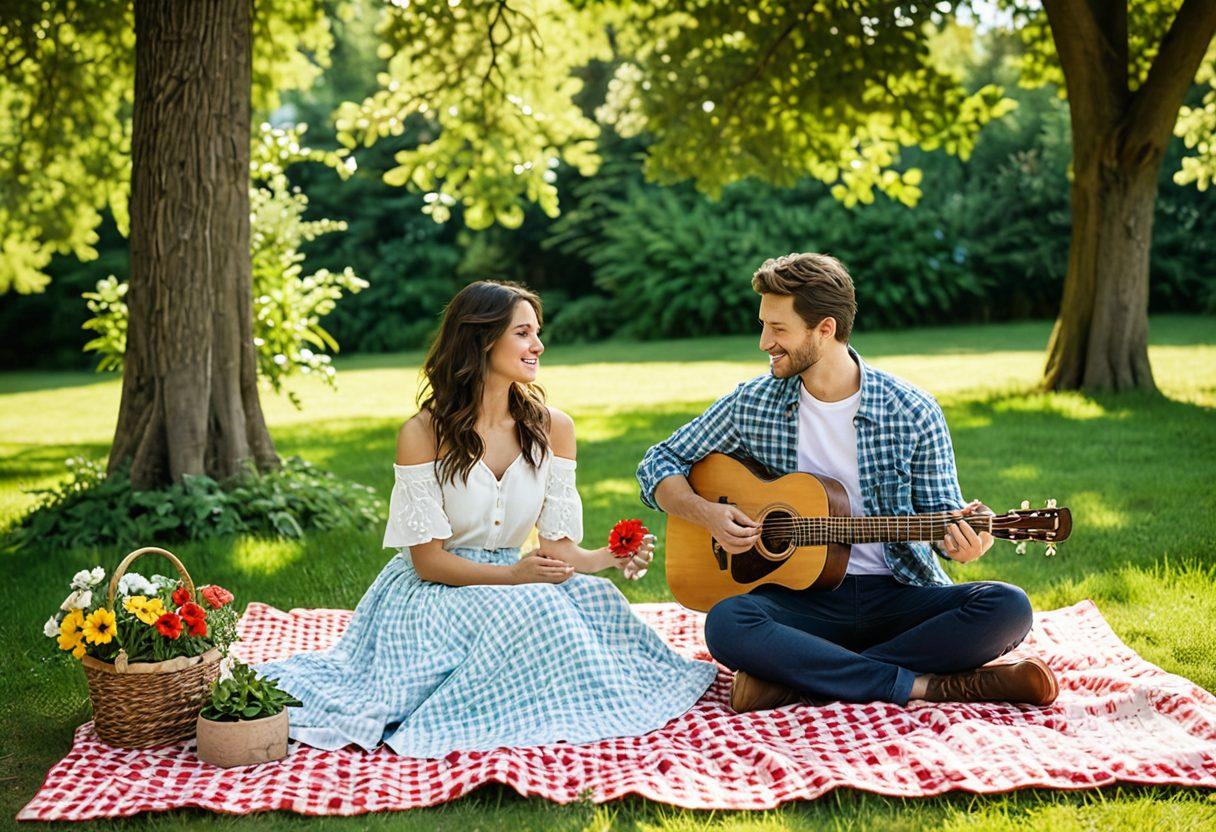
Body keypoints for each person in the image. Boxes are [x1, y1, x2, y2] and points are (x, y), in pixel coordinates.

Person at [258, 280, 717, 757]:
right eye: (523, 333)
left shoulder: (553, 428)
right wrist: (514, 576)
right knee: (536, 607)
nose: (537, 345)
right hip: (435, 591)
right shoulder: (422, 433)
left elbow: (557, 549)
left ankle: (581, 706)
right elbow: (428, 563)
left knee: (593, 599)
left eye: (537, 332)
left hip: (509, 581)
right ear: (482, 340)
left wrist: (609, 558)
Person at [636, 253, 1058, 713]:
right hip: (802, 604)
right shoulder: (752, 404)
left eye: (778, 329)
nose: (763, 342)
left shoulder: (912, 412)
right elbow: (659, 460)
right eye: (764, 325)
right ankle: (932, 686)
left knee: (1007, 607)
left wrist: (964, 544)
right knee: (727, 622)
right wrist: (708, 514)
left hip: (899, 598)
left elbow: (946, 519)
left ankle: (800, 679)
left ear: (825, 329)